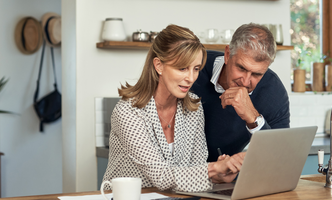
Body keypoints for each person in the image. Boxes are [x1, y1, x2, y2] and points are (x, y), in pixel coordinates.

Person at [102, 24, 242, 192]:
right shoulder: (128, 111)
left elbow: (195, 168)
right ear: (159, 65)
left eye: (196, 69)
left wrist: (217, 177)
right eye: (182, 68)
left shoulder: (194, 109)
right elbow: (161, 175)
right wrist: (213, 169)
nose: (191, 78)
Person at [191, 23, 290, 162]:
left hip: (228, 177)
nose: (245, 82)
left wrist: (254, 119)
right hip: (180, 175)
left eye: (256, 74)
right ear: (227, 54)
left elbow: (280, 156)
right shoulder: (194, 69)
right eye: (241, 68)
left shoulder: (273, 92)